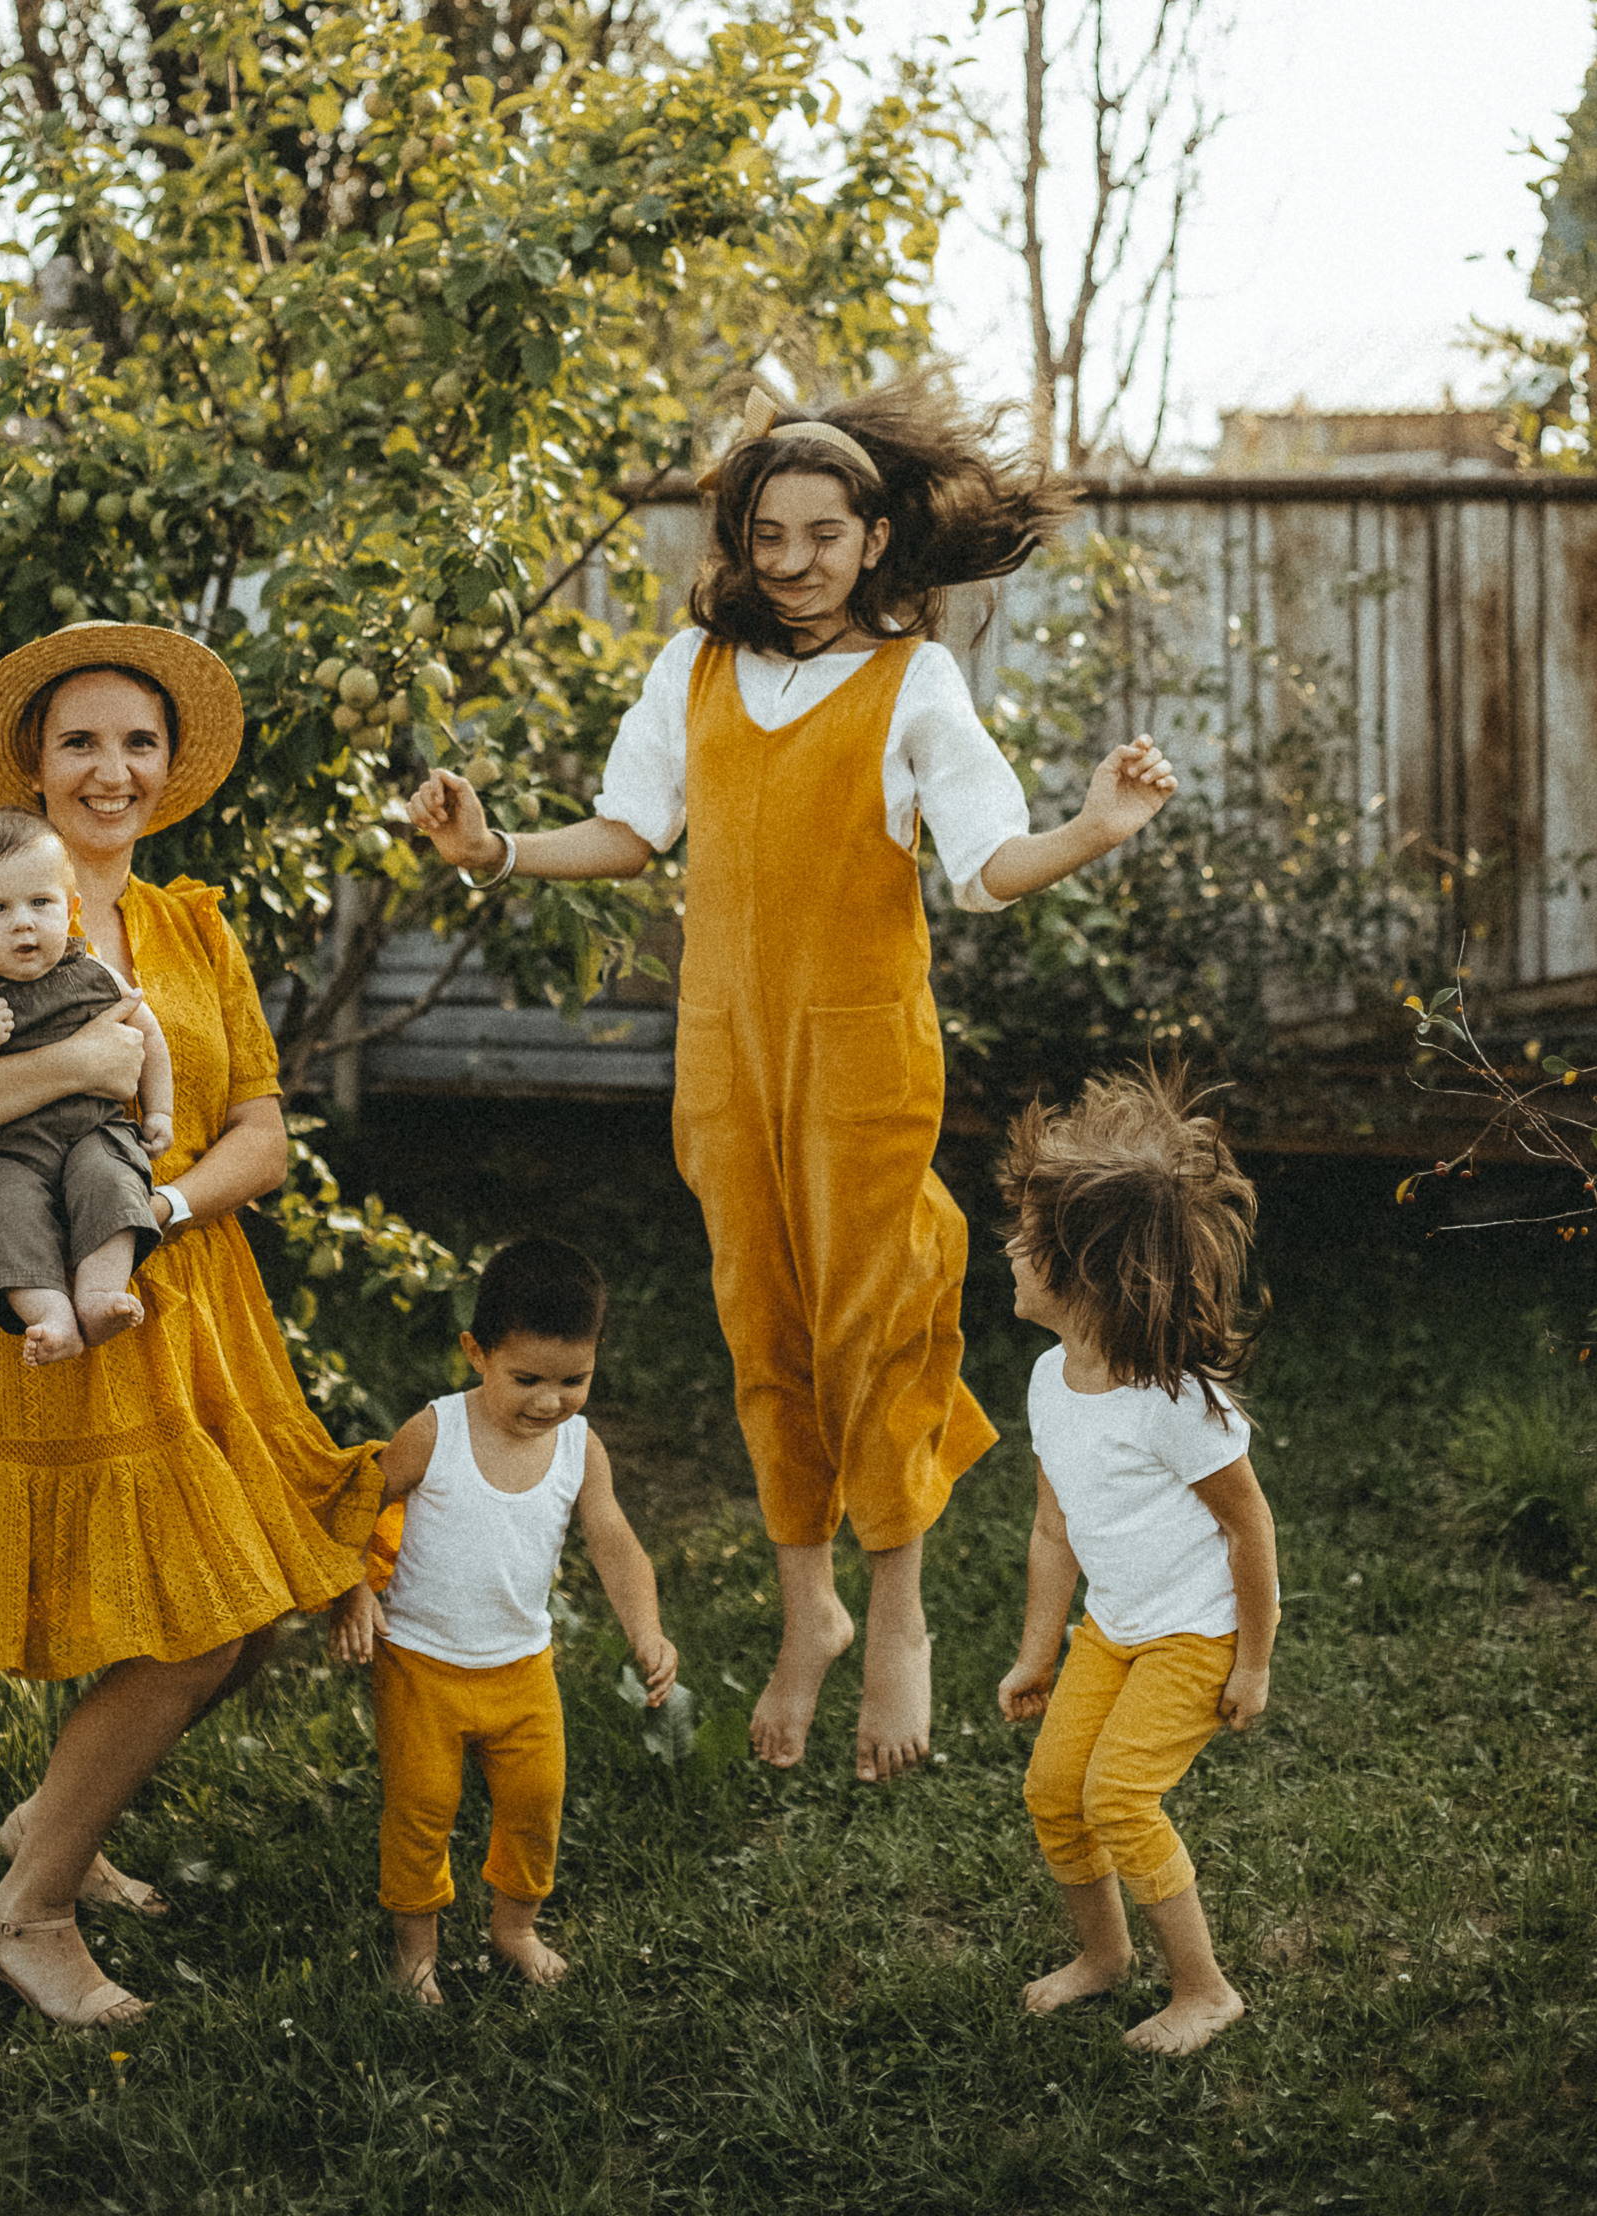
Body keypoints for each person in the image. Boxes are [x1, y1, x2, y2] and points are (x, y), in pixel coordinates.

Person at [410, 372, 1175, 1783]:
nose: (796, 563)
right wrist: (497, 849)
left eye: (826, 535)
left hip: (862, 1055)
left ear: (877, 538)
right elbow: (632, 832)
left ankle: (897, 1617)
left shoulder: (913, 682)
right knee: (764, 1324)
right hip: (727, 1060)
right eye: (772, 536)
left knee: (870, 1324)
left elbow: (989, 872)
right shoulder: (690, 671)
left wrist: (1095, 826)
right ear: (741, 542)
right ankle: (803, 1608)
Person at [0, 622, 393, 2030]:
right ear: (37, 763)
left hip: (175, 1284)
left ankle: (55, 1821)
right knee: (202, 1624)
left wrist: (163, 1204)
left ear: (169, 766)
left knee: (255, 1592)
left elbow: (262, 1130)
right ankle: (25, 1915)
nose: (111, 769)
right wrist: (73, 1061)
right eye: (81, 742)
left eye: (137, 743)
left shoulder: (196, 929)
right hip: (27, 1301)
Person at [994, 1065, 1278, 2057]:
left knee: (1116, 1797)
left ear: (1078, 1270)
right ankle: (1104, 1959)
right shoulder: (1047, 1380)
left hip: (1193, 1638)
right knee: (1050, 1790)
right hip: (1109, 1632)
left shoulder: (1175, 1403)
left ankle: (1203, 1990)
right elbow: (1051, 1529)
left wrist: (1250, 1661)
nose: (1007, 1251)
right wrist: (1039, 1652)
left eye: (1026, 1242)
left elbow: (1248, 1530)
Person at [327, 1235, 676, 2004]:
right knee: (420, 1811)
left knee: (534, 1805)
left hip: (523, 1668)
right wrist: (353, 1590)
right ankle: (416, 1951)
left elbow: (615, 1543)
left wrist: (646, 1630)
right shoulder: (436, 1432)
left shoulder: (580, 1448)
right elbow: (359, 1504)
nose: (550, 1401)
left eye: (573, 1379)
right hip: (420, 1663)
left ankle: (514, 1926)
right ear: (475, 1352)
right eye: (527, 1378)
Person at [0, 806, 176, 1363]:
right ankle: (51, 1316)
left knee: (113, 1184)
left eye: (40, 903)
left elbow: (149, 1034)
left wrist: (159, 1111)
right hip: (6, 1146)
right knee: (9, 1216)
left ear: (71, 910)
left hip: (95, 1130)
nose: (23, 922)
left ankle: (97, 1293)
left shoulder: (90, 968)